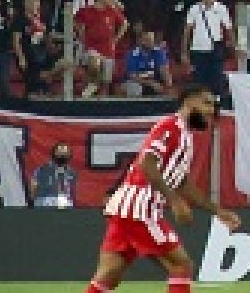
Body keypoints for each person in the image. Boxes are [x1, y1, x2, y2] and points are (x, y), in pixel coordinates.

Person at [86, 85, 240, 293]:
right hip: (140, 209)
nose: (211, 110)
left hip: (126, 209)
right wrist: (174, 200)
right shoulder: (170, 126)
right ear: (189, 102)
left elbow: (182, 182)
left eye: (213, 106)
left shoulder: (185, 135)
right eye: (206, 103)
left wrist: (218, 211)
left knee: (109, 276)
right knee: (181, 265)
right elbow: (147, 163)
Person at [33, 143, 78, 208]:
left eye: (65, 153)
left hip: (65, 204)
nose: (62, 155)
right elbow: (34, 188)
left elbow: (72, 192)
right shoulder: (42, 170)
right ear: (53, 154)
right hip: (45, 203)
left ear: (69, 155)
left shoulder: (72, 173)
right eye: (60, 152)